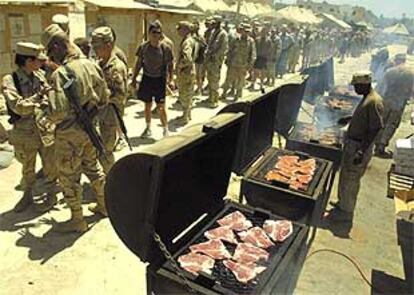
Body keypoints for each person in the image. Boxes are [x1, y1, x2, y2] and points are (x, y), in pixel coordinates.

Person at [41, 24, 109, 232]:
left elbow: (57, 113)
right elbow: (104, 98)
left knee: (69, 177)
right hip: (89, 131)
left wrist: (45, 105)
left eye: (51, 52)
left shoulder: (60, 74)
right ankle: (104, 205)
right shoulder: (91, 64)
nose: (51, 57)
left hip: (68, 136)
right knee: (93, 167)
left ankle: (77, 221)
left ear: (58, 46)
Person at [1, 42, 58, 213]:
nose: (41, 63)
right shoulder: (10, 80)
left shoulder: (40, 75)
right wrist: (38, 98)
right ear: (27, 61)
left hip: (44, 129)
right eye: (38, 60)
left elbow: (49, 99)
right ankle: (27, 196)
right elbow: (18, 106)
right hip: (25, 133)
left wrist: (46, 99)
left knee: (50, 166)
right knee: (28, 168)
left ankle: (51, 195)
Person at [326, 72, 384, 225]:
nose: (355, 90)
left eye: (357, 86)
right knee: (345, 175)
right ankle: (342, 204)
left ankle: (346, 213)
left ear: (365, 84)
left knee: (351, 179)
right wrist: (350, 118)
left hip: (359, 146)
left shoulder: (374, 101)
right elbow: (365, 118)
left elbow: (375, 128)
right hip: (353, 144)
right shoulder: (367, 98)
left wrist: (361, 151)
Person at [91, 27, 128, 173]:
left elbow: (120, 95)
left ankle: (113, 178)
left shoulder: (116, 67)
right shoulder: (101, 63)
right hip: (101, 113)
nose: (95, 50)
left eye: (98, 47)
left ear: (108, 45)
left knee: (105, 151)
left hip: (110, 115)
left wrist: (99, 95)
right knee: (99, 149)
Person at [131, 21, 173, 138]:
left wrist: (171, 79)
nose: (156, 35)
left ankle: (165, 130)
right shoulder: (143, 47)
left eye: (158, 33)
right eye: (153, 32)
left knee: (161, 107)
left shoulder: (166, 48)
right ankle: (148, 128)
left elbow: (170, 64)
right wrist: (134, 79)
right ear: (149, 33)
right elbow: (138, 63)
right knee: (147, 105)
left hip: (159, 79)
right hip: (147, 78)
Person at [375, 54, 414, 158]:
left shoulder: (389, 72)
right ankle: (382, 146)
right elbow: (412, 90)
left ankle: (376, 144)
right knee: (392, 124)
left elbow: (380, 87)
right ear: (404, 61)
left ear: (396, 60)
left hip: (386, 101)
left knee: (381, 122)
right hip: (399, 103)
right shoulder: (410, 73)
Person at [204, 15, 228, 108]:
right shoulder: (213, 32)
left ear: (218, 23)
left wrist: (215, 56)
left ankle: (215, 100)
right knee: (210, 79)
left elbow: (223, 49)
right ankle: (210, 97)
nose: (212, 24)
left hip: (216, 61)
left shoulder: (223, 34)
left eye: (214, 23)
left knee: (215, 80)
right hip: (210, 60)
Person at [175, 21, 195, 124]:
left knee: (185, 94)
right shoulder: (189, 40)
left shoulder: (187, 42)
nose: (178, 30)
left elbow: (187, 58)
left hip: (185, 73)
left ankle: (185, 117)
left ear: (186, 30)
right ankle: (187, 114)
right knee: (188, 93)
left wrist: (179, 66)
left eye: (180, 28)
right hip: (188, 72)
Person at [250, 25, 272, 90]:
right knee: (255, 72)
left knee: (263, 72)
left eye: (264, 32)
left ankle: (261, 85)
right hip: (257, 57)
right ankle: (253, 83)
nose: (263, 33)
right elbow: (254, 48)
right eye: (262, 31)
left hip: (264, 58)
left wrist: (268, 58)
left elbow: (270, 50)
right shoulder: (257, 39)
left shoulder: (268, 40)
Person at [192, 20, 207, 96]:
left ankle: (199, 90)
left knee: (198, 76)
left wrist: (198, 41)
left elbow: (204, 45)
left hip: (199, 59)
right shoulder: (191, 36)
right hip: (193, 59)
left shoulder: (200, 37)